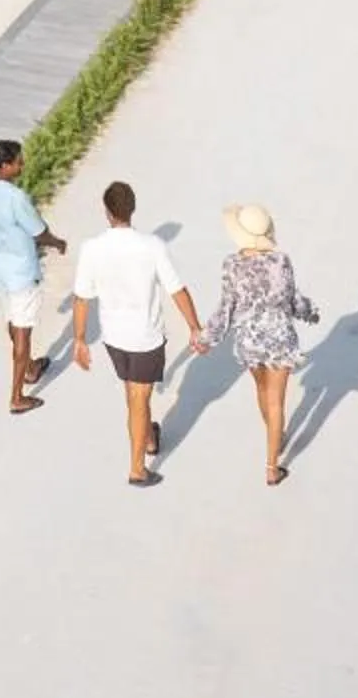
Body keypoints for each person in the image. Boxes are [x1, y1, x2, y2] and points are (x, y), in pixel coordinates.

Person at [68, 179, 207, 487]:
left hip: (113, 338)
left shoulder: (91, 248)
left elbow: (81, 297)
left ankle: (146, 437)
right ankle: (137, 468)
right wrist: (195, 327)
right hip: (145, 337)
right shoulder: (152, 246)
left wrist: (78, 339)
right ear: (132, 210)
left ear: (107, 212)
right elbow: (177, 290)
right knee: (138, 396)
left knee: (133, 394)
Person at [205, 202, 320, 486]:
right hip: (280, 339)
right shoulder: (281, 262)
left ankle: (274, 435)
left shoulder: (231, 265)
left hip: (249, 342)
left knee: (261, 389)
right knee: (276, 400)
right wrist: (310, 313)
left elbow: (226, 308)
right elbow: (294, 300)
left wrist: (207, 337)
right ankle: (272, 466)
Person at [0, 138, 66, 414]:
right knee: (23, 332)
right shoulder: (16, 198)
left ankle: (31, 366)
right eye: (19, 161)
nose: (22, 164)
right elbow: (38, 232)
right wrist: (58, 243)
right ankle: (18, 396)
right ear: (5, 165)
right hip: (22, 272)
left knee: (13, 320)